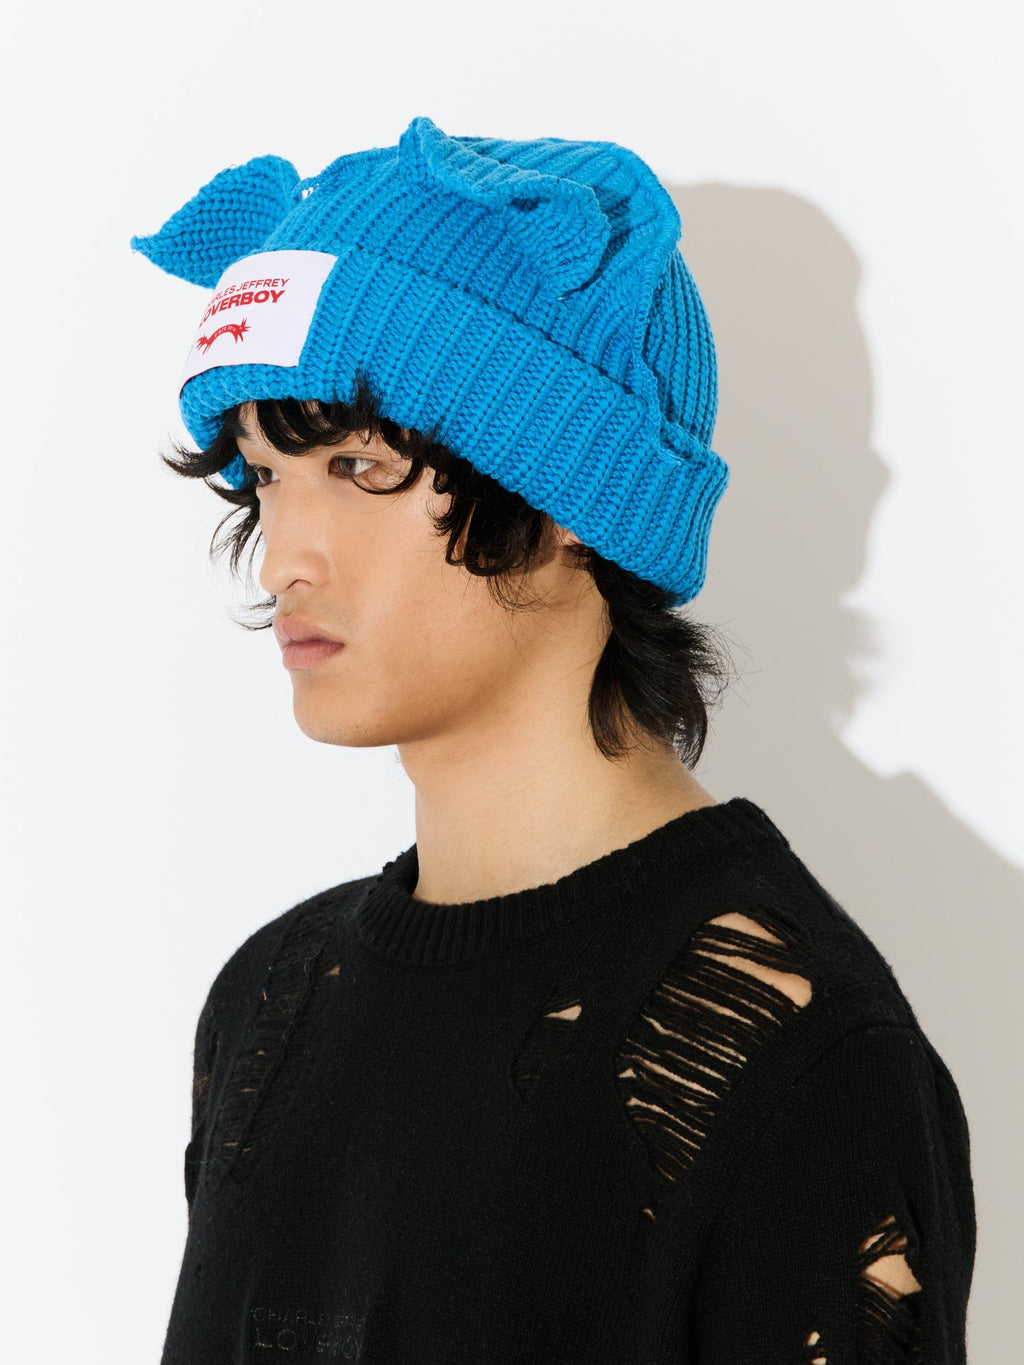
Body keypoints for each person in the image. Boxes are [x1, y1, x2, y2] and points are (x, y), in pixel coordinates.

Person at [132, 115, 975, 1364]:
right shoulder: (272, 1001)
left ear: (569, 498)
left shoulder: (783, 1047)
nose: (285, 559)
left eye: (357, 466)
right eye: (262, 476)